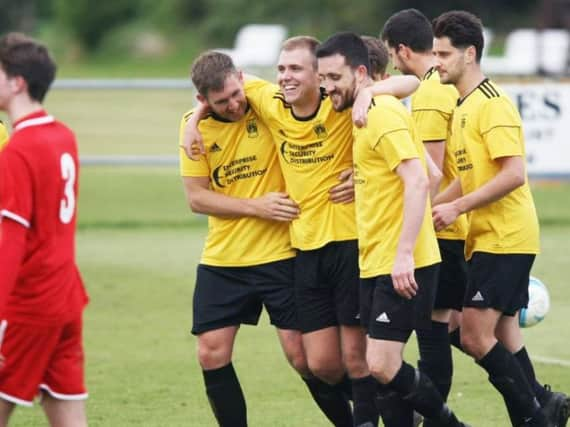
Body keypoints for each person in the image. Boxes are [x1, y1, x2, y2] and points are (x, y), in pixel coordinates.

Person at [184, 36, 420, 427]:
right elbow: (218, 92)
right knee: (322, 363)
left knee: (356, 358)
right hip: (303, 249)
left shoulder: (339, 103)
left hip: (342, 245)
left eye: (295, 69)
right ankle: (398, 411)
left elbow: (411, 83)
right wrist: (194, 120)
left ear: (319, 75)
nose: (285, 77)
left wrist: (369, 94)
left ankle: (400, 415)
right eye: (281, 69)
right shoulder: (268, 101)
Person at [316, 31, 469, 427]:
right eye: (323, 78)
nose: (326, 86)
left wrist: (406, 251)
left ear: (361, 73)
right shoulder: (364, 109)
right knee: (379, 366)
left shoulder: (379, 113)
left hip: (400, 262)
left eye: (334, 77)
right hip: (377, 257)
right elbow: (431, 172)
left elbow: (419, 181)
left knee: (382, 365)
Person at [432, 10, 569, 427]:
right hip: (485, 238)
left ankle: (537, 416)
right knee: (500, 336)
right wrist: (434, 205)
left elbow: (513, 173)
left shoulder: (492, 105)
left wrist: (457, 208)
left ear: (469, 54)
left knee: (473, 335)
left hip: (506, 237)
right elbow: (466, 174)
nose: (435, 61)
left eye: (443, 53)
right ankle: (544, 404)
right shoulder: (462, 106)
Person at [381, 9, 469, 417]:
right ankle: (537, 404)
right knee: (448, 328)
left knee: (434, 330)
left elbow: (431, 174)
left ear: (399, 50)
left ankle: (435, 415)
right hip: (447, 223)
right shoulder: (435, 84)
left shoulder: (432, 92)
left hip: (441, 227)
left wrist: (413, 220)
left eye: (391, 54)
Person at [0, 33, 89, 426]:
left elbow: (11, 239)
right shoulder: (63, 135)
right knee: (66, 407)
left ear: (17, 82)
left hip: (30, 301)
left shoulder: (19, 149)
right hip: (66, 297)